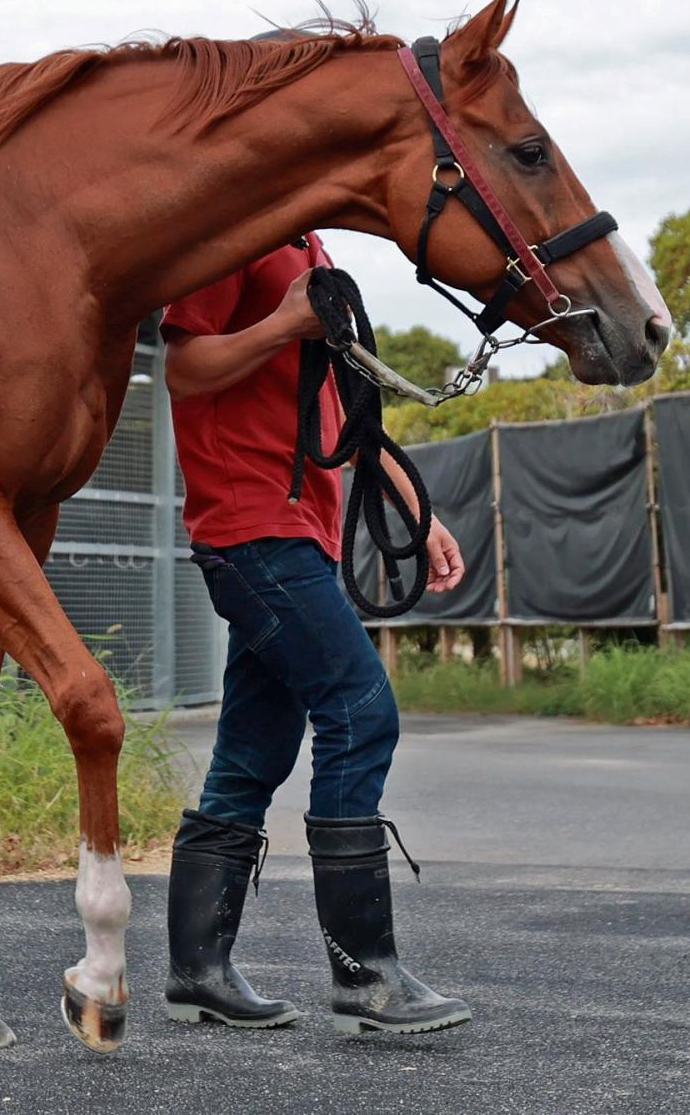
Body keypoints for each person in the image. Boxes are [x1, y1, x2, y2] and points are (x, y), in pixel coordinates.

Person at [160, 233, 473, 1037]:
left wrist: (420, 510)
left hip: (295, 535)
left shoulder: (309, 245)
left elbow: (350, 411)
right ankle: (365, 974)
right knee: (359, 707)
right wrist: (282, 324)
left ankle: (200, 969)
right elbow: (183, 367)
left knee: (253, 749)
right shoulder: (233, 234)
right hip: (251, 531)